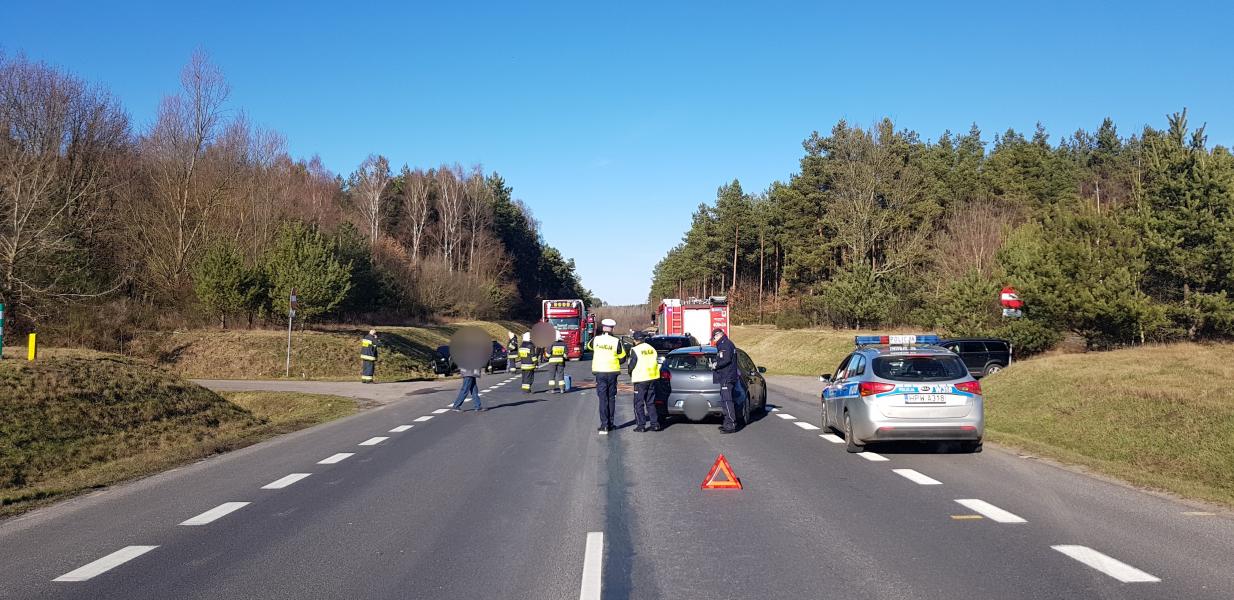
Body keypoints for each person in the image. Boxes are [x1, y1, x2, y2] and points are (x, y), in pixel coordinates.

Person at [587, 318, 626, 433]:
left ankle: (604, 425)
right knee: (611, 398)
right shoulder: (616, 341)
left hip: (600, 372)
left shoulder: (596, 339)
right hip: (612, 372)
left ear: (603, 327)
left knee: (602, 399)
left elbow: (589, 347)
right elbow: (623, 357)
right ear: (612, 328)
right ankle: (611, 423)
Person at [628, 331, 661, 432]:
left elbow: (631, 365)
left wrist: (630, 373)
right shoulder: (651, 349)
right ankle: (655, 424)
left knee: (638, 403)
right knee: (650, 402)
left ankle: (641, 425)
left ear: (636, 340)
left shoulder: (635, 350)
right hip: (652, 378)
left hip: (640, 379)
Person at [711, 328, 740, 433]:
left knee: (727, 401)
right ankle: (727, 422)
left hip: (727, 377)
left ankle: (731, 424)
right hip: (725, 376)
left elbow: (725, 359)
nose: (714, 340)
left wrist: (716, 365)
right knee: (724, 401)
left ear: (718, 335)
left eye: (714, 338)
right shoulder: (724, 344)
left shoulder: (725, 344)